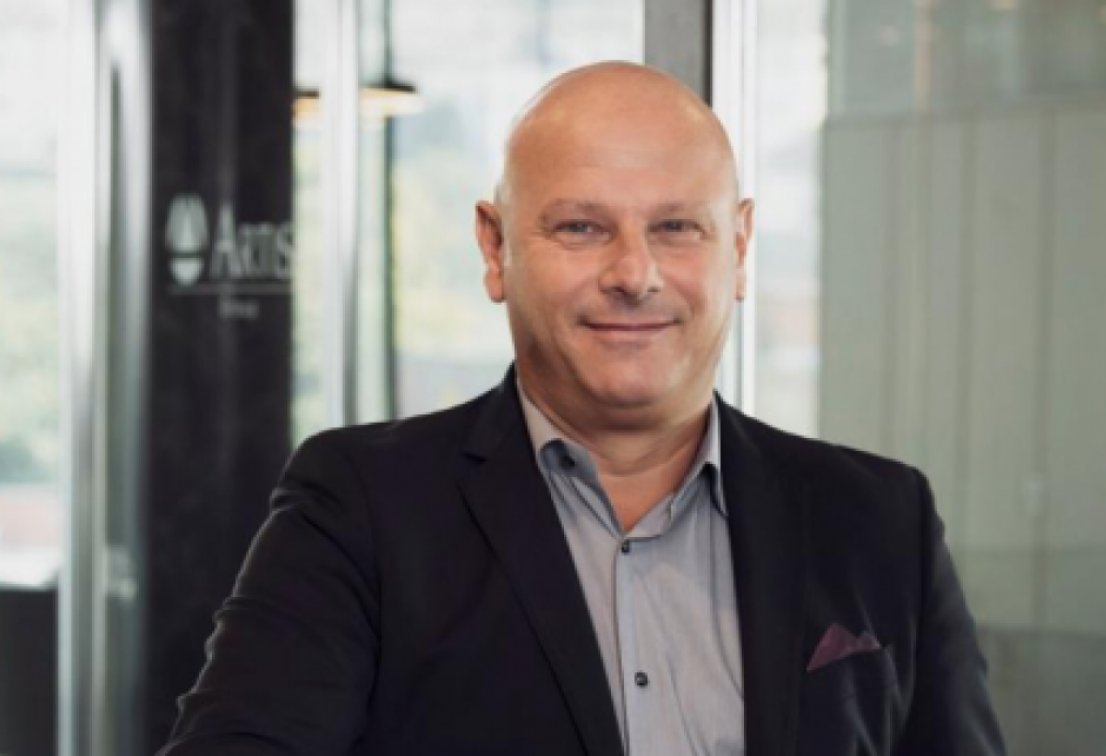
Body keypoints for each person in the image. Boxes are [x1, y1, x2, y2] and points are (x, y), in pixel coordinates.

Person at [161, 61, 1005, 755]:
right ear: (495, 247)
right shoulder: (361, 506)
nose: (634, 274)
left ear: (740, 247)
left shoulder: (878, 520)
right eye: (580, 229)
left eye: (677, 227)